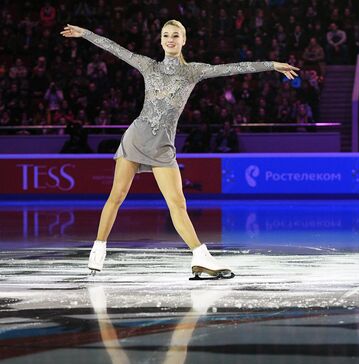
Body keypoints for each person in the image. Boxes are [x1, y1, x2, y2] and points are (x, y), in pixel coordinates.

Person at [61, 20, 299, 279]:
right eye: (166, 35)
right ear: (161, 40)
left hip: (163, 146)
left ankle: (200, 258)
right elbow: (115, 48)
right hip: (136, 139)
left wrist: (271, 65)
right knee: (116, 196)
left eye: (175, 35)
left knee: (177, 204)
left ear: (184, 40)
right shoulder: (148, 65)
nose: (170, 39)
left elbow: (233, 68)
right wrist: (85, 33)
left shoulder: (193, 71)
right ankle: (97, 251)